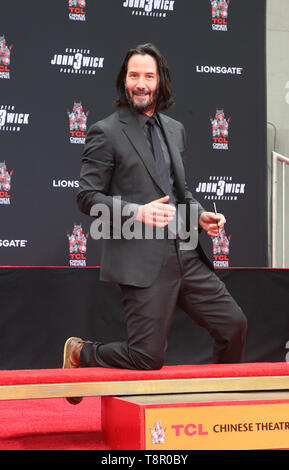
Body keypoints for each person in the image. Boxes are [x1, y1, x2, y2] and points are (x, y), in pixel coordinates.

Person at [63, 43, 247, 404]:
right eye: (134, 76)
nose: (141, 83)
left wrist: (200, 216)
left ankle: (219, 403)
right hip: (142, 260)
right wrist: (137, 211)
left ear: (160, 82)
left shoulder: (175, 130)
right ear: (124, 80)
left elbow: (182, 192)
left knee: (233, 325)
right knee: (147, 358)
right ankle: (81, 353)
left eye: (149, 76)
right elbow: (86, 197)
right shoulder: (106, 131)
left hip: (186, 254)